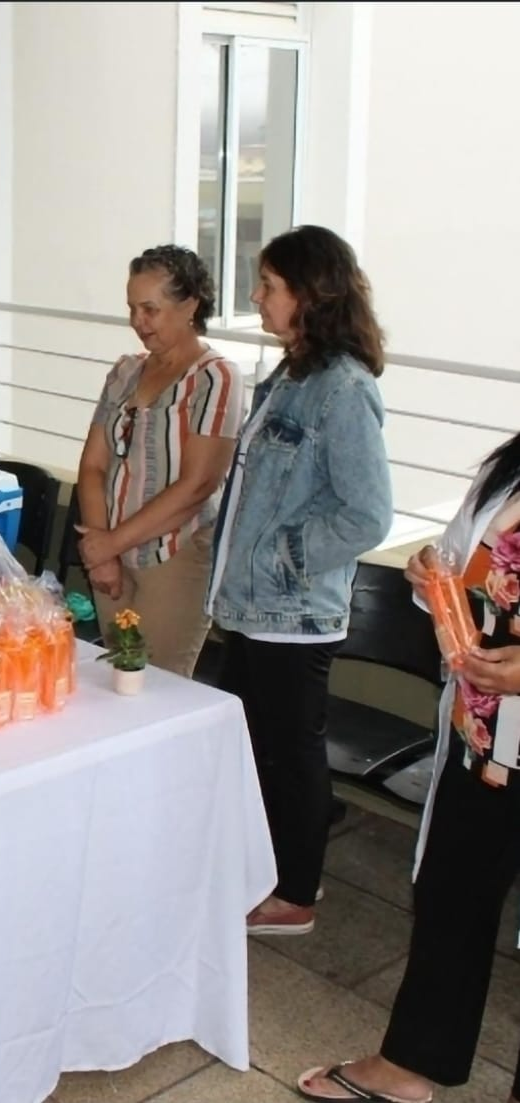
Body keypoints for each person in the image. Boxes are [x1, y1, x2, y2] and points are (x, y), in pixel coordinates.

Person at [295, 434, 520, 1103]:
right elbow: (457, 562)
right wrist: (434, 575)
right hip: (481, 733)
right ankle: (412, 1059)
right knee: (453, 891)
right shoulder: (508, 470)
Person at [206, 224, 392, 936]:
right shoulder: (292, 373)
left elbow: (366, 514)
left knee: (290, 755)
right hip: (253, 609)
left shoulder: (341, 389)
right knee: (255, 747)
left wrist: (279, 553)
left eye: (268, 285)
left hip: (291, 613)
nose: (254, 295)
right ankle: (261, 873)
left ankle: (295, 893)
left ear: (309, 295)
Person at [74, 245, 244, 678]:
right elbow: (93, 465)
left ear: (189, 305)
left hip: (175, 555)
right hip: (109, 549)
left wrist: (110, 544)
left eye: (150, 309)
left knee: (159, 685)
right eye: (132, 308)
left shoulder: (215, 377)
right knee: (117, 677)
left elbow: (198, 486)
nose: (138, 322)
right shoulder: (125, 372)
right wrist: (102, 550)